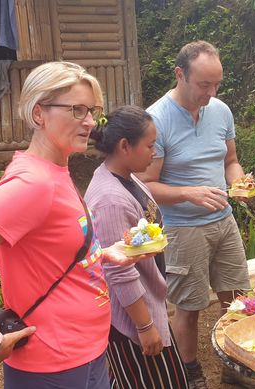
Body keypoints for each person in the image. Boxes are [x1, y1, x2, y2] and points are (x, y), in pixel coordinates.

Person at [0, 62, 152, 388]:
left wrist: (102, 253)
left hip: (85, 352)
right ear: (39, 113)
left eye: (92, 111)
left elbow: (50, 251)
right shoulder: (33, 183)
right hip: (53, 365)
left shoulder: (55, 171)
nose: (89, 121)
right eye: (77, 110)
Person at [138, 41, 255, 389]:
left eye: (217, 84)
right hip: (182, 229)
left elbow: (230, 161)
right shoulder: (156, 120)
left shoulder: (220, 111)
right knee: (188, 307)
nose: (211, 92)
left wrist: (239, 183)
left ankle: (236, 367)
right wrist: (189, 193)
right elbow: (146, 184)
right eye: (204, 84)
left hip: (223, 221)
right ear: (180, 74)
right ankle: (188, 373)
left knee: (237, 299)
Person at [85, 106, 188, 388]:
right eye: (150, 145)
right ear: (124, 146)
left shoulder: (127, 178)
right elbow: (118, 271)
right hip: (131, 321)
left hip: (146, 305)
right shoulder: (110, 200)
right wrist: (145, 326)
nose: (155, 152)